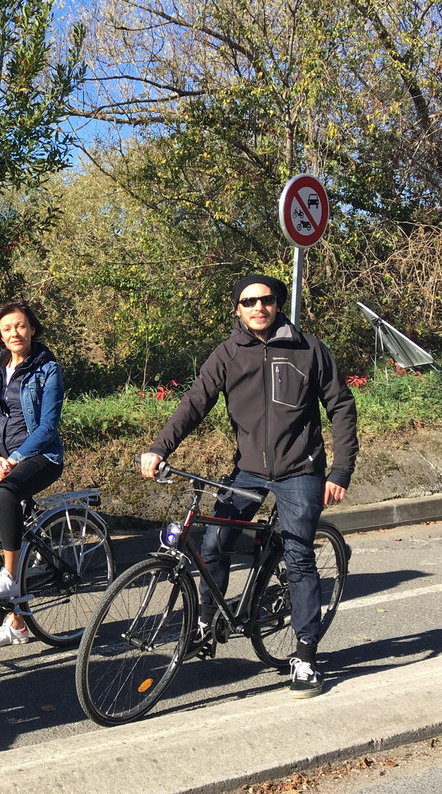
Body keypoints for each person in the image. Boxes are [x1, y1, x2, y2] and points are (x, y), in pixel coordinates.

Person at [140, 274, 358, 699]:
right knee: (214, 542)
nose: (258, 307)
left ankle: (306, 655)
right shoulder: (227, 354)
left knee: (298, 559)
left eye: (266, 299)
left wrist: (340, 471)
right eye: (248, 301)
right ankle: (206, 621)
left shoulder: (308, 349)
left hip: (301, 470)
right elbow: (195, 402)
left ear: (277, 304)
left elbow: (342, 408)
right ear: (237, 309)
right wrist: (159, 448)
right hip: (249, 471)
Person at [0, 301, 65, 648]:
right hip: (2, 458)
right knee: (7, 522)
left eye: (21, 326)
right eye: (7, 328)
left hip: (40, 456)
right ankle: (18, 624)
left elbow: (47, 426)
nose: (15, 333)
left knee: (7, 492)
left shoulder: (48, 370)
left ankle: (10, 577)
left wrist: (11, 459)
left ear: (32, 329)